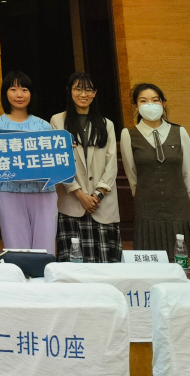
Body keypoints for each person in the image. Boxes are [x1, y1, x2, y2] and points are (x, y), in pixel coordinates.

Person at [119, 82, 190, 258]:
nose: (150, 104)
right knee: (151, 258)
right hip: (147, 205)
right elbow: (132, 174)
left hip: (178, 203)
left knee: (180, 258)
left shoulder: (179, 132)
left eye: (155, 100)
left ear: (163, 103)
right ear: (135, 106)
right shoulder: (129, 135)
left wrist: (182, 195)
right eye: (143, 101)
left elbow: (187, 171)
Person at [50, 72, 121, 262]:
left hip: (102, 204)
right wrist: (79, 194)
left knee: (106, 264)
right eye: (78, 89)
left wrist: (97, 194)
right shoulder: (58, 121)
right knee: (73, 265)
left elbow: (111, 163)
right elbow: (58, 162)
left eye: (89, 89)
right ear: (69, 91)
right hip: (72, 203)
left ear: (95, 93)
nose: (83, 94)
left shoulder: (107, 124)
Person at [0, 70, 58, 253]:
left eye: (24, 90)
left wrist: (61, 149)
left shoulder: (44, 126)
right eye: (13, 89)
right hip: (10, 192)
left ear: (31, 94)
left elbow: (53, 163)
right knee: (16, 251)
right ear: (5, 93)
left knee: (45, 249)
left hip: (43, 192)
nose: (19, 94)